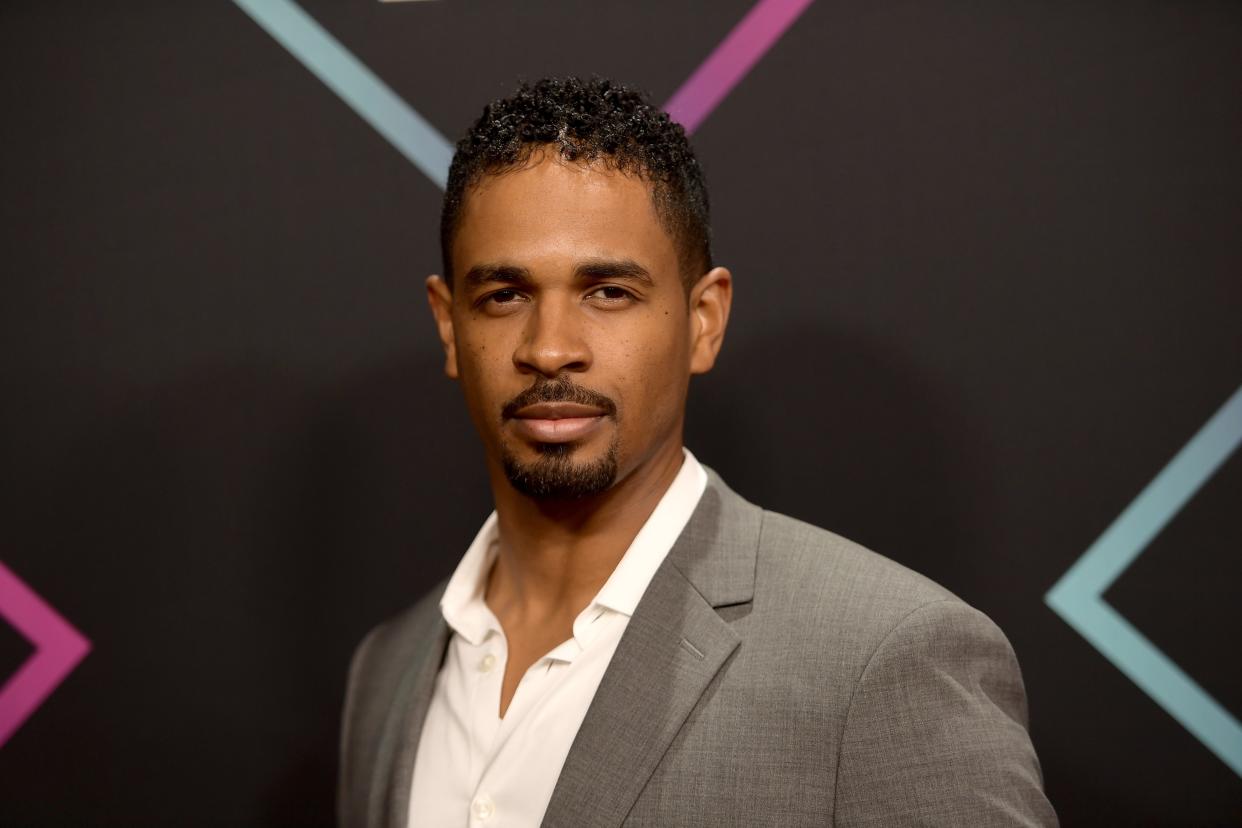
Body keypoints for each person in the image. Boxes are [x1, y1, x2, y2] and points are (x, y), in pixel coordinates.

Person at [338, 76, 1057, 827]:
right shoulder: (386, 673)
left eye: (608, 291)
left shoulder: (884, 658)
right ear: (450, 325)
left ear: (704, 321)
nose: (550, 349)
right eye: (505, 295)